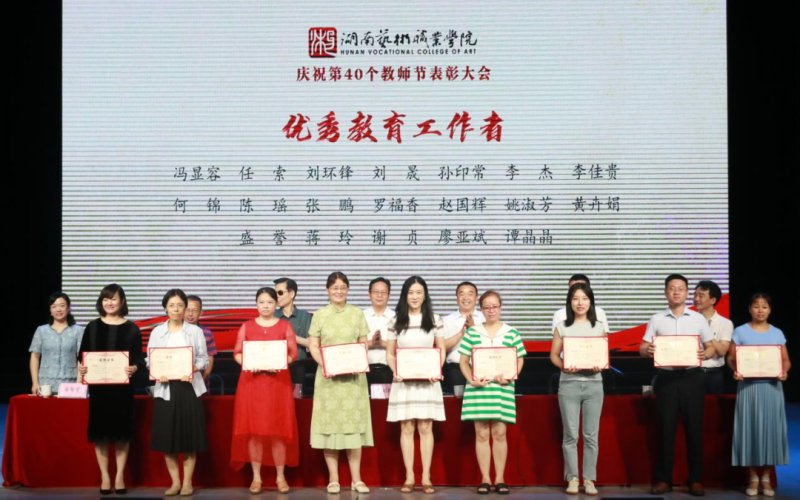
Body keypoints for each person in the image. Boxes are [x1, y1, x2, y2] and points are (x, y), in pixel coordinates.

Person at [639, 274, 715, 496]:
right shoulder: (656, 319)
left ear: (686, 293)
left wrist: (705, 353)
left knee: (694, 430)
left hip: (692, 378)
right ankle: (664, 480)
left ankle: (695, 480)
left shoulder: (698, 319)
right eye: (672, 288)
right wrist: (647, 350)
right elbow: (642, 348)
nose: (676, 292)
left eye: (680, 288)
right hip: (667, 379)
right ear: (666, 292)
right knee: (665, 430)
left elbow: (711, 346)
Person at [308, 272, 373, 494]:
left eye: (343, 287)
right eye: (335, 288)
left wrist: (358, 361)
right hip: (328, 380)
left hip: (353, 379)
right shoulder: (320, 315)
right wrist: (326, 364)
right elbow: (313, 345)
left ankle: (357, 479)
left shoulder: (357, 314)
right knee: (330, 429)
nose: (339, 291)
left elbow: (363, 343)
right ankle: (333, 479)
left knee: (353, 429)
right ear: (328, 290)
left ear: (347, 290)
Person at [78, 284, 144, 495]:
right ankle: (105, 477)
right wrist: (82, 367)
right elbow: (82, 356)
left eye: (114, 299)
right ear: (101, 301)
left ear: (122, 301)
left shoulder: (132, 329)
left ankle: (119, 476)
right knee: (101, 436)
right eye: (106, 299)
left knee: (122, 435)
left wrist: (134, 367)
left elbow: (139, 360)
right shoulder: (92, 327)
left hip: (123, 391)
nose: (109, 302)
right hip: (99, 391)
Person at [232, 287, 298, 494]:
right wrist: (248, 363)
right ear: (256, 304)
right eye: (261, 302)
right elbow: (237, 352)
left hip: (278, 385)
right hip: (252, 385)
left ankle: (280, 477)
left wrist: (280, 363)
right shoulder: (247, 326)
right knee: (255, 433)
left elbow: (293, 353)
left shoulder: (285, 326)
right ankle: (256, 477)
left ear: (276, 304)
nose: (266, 306)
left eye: (269, 302)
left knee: (279, 432)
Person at [459, 291, 526, 495]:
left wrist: (511, 376)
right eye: (487, 307)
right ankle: (485, 479)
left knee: (499, 433)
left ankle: (500, 479)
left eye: (495, 306)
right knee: (481, 433)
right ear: (481, 309)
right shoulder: (473, 332)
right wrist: (471, 379)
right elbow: (463, 361)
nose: (491, 310)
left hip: (502, 388)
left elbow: (519, 359)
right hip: (478, 388)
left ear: (500, 307)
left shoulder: (511, 332)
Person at [385, 276, 446, 494]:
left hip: (427, 381)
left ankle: (426, 476)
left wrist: (436, 369)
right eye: (411, 292)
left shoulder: (435, 319)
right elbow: (390, 354)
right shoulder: (395, 321)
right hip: (404, 382)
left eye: (419, 292)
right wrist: (396, 371)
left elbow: (441, 349)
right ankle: (409, 476)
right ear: (405, 295)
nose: (415, 296)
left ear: (425, 295)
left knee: (426, 427)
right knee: (407, 427)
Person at [147, 289, 209, 497]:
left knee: (190, 439)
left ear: (185, 308)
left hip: (189, 388)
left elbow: (203, 358)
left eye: (180, 305)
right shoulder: (157, 332)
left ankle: (187, 483)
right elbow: (150, 359)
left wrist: (193, 368)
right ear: (165, 308)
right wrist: (158, 371)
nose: (176, 309)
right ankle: (175, 483)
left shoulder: (195, 331)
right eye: (172, 305)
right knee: (168, 439)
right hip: (165, 390)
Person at [727, 293, 790, 497]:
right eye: (756, 306)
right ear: (749, 309)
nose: (760, 310)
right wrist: (736, 371)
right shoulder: (740, 331)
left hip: (772, 389)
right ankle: (753, 477)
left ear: (770, 310)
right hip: (748, 389)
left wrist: (784, 372)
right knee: (749, 432)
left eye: (764, 306)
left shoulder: (777, 333)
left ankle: (766, 478)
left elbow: (785, 360)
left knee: (771, 432)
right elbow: (731, 358)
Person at [549, 283, 607, 495]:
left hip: (594, 384)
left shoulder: (599, 327)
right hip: (569, 384)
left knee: (591, 435)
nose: (580, 303)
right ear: (569, 302)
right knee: (571, 434)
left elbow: (603, 355)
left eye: (584, 298)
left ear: (590, 301)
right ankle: (573, 478)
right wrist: (564, 366)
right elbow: (554, 355)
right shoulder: (562, 326)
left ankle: (589, 479)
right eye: (575, 298)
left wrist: (599, 364)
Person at [30, 292, 84, 395]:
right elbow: (35, 356)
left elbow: (81, 358)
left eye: (62, 306)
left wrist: (78, 382)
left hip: (70, 383)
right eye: (54, 306)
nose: (58, 309)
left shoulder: (78, 331)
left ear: (68, 308)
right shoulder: (41, 330)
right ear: (50, 310)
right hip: (45, 384)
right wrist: (35, 382)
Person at [442, 282, 485, 394]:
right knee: (458, 401)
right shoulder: (447, 320)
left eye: (470, 294)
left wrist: (474, 330)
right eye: (462, 294)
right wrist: (461, 333)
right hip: (456, 371)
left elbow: (492, 344)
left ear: (476, 298)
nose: (466, 298)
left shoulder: (485, 317)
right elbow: (443, 347)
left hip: (483, 368)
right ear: (457, 298)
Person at [693, 281, 733, 394]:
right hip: (692, 373)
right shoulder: (688, 320)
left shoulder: (725, 323)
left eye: (701, 295)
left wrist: (705, 331)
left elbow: (722, 351)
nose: (696, 299)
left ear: (713, 300)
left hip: (714, 375)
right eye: (695, 295)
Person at [274, 277, 313, 390]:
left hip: (297, 367)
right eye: (275, 293)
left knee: (296, 399)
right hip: (275, 366)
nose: (277, 296)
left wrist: (291, 337)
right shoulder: (272, 315)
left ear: (291, 294)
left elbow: (311, 343)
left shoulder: (305, 316)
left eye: (280, 293)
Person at [363, 277, 395, 391]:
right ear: (369, 294)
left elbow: (403, 345)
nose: (379, 295)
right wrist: (371, 343)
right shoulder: (361, 316)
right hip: (365, 371)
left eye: (383, 292)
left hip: (389, 370)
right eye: (376, 292)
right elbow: (353, 343)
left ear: (389, 295)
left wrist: (383, 343)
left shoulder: (396, 317)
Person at [185, 295, 218, 384]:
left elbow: (210, 358)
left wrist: (203, 380)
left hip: (199, 380)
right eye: (187, 310)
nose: (190, 314)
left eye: (194, 310)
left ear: (200, 313)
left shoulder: (206, 332)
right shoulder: (175, 331)